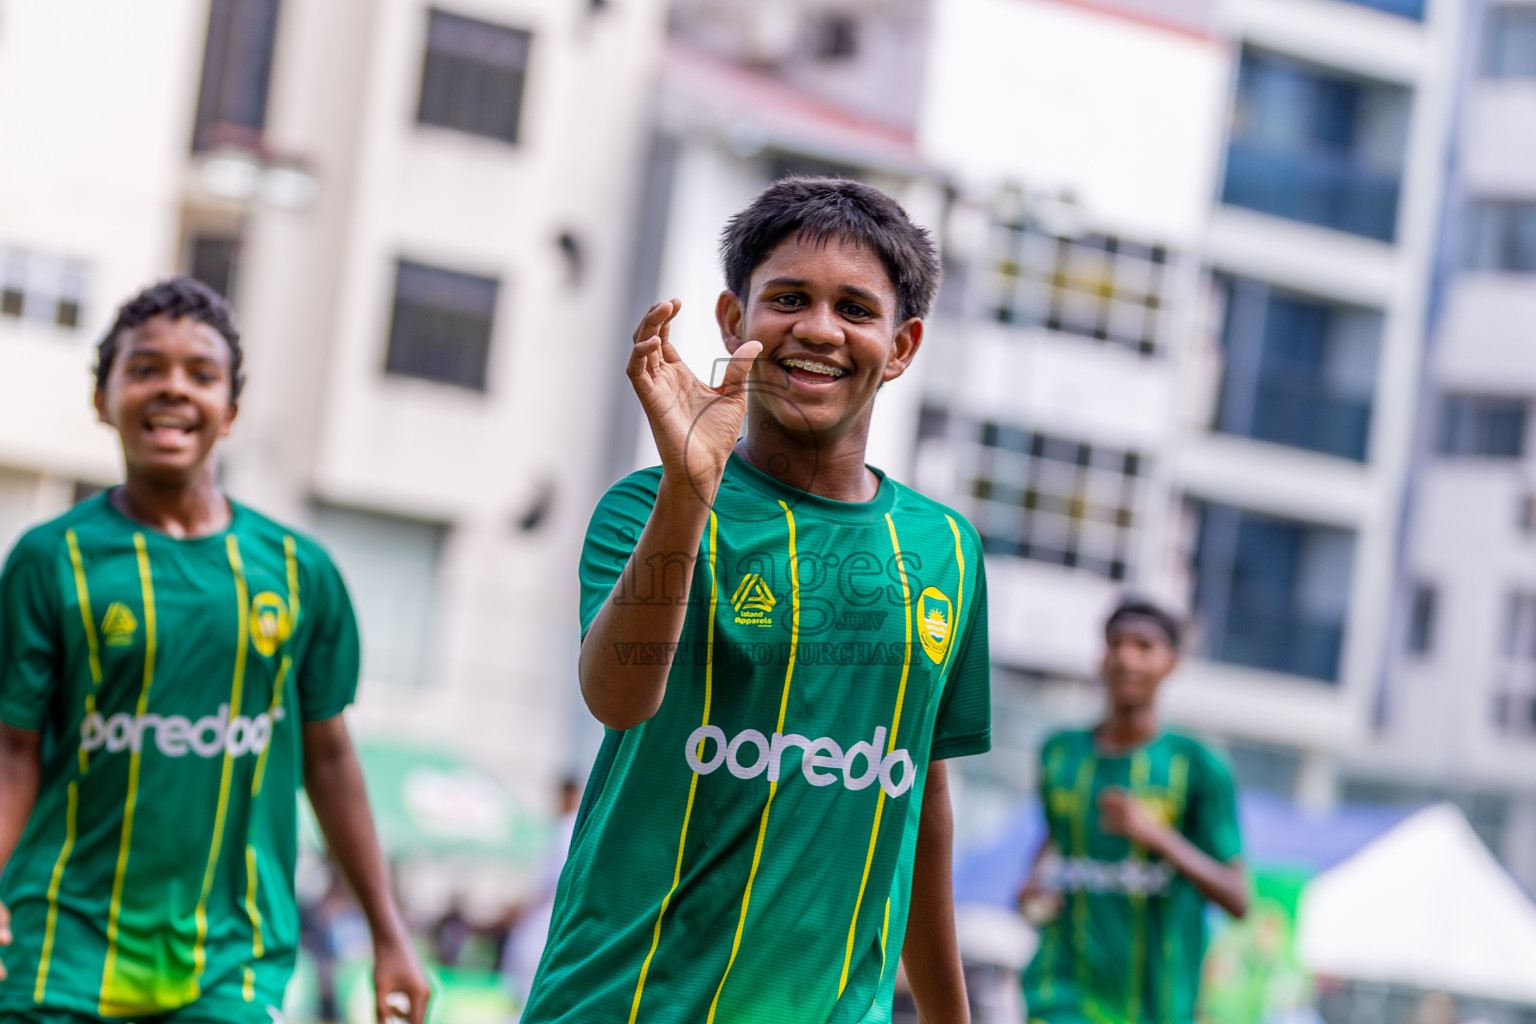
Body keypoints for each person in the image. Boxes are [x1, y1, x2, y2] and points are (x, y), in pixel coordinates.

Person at [521, 177, 992, 1023]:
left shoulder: (946, 552)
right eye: (787, 298)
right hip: (622, 1006)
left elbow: (925, 804)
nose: (817, 328)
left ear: (905, 344)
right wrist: (690, 485)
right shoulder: (644, 507)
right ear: (734, 321)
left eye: (855, 307)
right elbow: (618, 699)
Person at [0, 278, 429, 1024]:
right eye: (143, 369)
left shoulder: (300, 572)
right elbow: (11, 752)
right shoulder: (50, 561)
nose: (172, 389)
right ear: (102, 399)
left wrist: (389, 934)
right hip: (59, 953)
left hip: (229, 959)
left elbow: (329, 759)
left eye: (200, 374)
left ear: (230, 410)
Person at [1017, 599, 1249, 1024]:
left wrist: (1156, 836)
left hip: (1155, 1006)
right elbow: (1052, 844)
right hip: (1062, 994)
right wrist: (1031, 889)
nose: (1126, 657)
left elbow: (1238, 898)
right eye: (1115, 644)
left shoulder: (1197, 764)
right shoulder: (1059, 754)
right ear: (1099, 659)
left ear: (1172, 664)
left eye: (1143, 646)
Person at [499, 776, 580, 1003]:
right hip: (550, 931)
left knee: (527, 1000)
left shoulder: (567, 827)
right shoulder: (572, 827)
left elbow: (547, 883)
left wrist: (518, 908)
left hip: (542, 932)